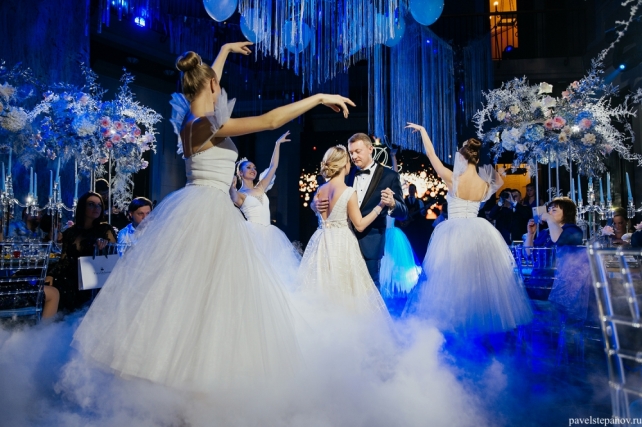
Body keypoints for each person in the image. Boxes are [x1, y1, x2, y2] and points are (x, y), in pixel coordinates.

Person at [71, 41, 356, 391]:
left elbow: (205, 86)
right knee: (210, 297)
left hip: (195, 207)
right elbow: (269, 120)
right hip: (210, 212)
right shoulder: (208, 123)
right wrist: (319, 97)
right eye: (216, 83)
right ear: (211, 86)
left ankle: (178, 376)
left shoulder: (190, 118)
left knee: (188, 294)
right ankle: (197, 379)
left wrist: (222, 52)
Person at [403, 123, 532, 335]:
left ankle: (456, 328)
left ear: (462, 158)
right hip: (479, 232)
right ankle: (478, 327)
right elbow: (499, 180)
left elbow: (431, 154)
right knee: (478, 280)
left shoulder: (452, 179)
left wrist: (424, 131)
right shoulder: (485, 184)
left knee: (451, 280)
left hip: (453, 233)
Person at [298, 145, 388, 316]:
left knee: (322, 286)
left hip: (321, 242)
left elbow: (316, 208)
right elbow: (359, 224)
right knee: (345, 290)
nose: (350, 164)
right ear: (343, 165)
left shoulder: (320, 190)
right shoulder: (348, 192)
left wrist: (312, 205)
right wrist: (380, 206)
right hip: (341, 243)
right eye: (348, 161)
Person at [312, 133, 407, 289]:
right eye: (351, 153)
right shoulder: (344, 173)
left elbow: (403, 213)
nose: (354, 156)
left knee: (370, 290)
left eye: (358, 151)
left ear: (370, 149)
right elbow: (327, 195)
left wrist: (392, 204)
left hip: (370, 243)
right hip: (340, 244)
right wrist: (315, 204)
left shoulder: (390, 176)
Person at [229, 131, 301, 290]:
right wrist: (232, 185)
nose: (253, 169)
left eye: (254, 167)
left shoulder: (261, 186)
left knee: (274, 273)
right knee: (256, 272)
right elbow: (233, 197)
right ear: (240, 173)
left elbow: (273, 166)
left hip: (270, 235)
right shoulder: (240, 194)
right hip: (253, 235)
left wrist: (277, 144)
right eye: (248, 167)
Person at [45, 192, 117, 313]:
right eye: (91, 204)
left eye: (99, 205)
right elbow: (64, 259)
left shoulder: (105, 229)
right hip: (71, 278)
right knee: (50, 284)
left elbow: (113, 255)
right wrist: (51, 274)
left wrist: (105, 244)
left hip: (94, 280)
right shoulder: (70, 232)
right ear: (83, 207)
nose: (96, 208)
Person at [525, 197, 589, 321]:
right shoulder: (545, 232)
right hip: (538, 280)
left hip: (557, 284)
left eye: (554, 210)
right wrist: (530, 234)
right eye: (549, 210)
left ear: (566, 213)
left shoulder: (573, 230)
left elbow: (558, 240)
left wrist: (549, 219)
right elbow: (529, 254)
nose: (549, 213)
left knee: (552, 320)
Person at [380, 150, 419, 299]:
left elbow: (396, 175)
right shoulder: (378, 195)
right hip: (381, 233)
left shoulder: (393, 195)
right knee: (383, 263)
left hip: (392, 234)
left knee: (394, 264)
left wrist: (393, 157)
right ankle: (383, 290)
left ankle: (395, 291)